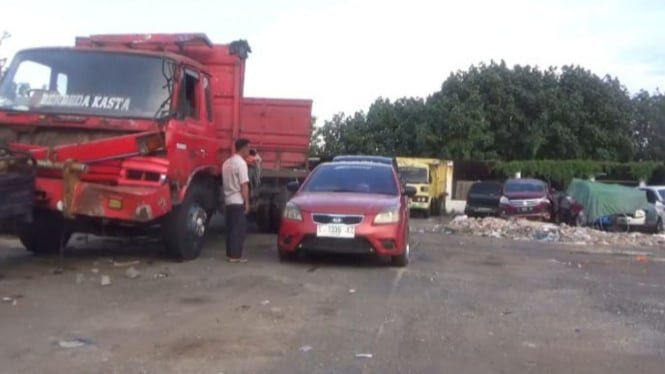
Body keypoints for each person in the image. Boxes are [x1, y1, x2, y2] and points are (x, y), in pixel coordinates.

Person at [222, 138, 251, 263]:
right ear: (243, 148)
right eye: (248, 148)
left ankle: (230, 254)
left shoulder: (226, 163)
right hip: (237, 200)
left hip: (228, 200)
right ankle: (236, 256)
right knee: (239, 230)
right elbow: (244, 185)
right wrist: (247, 202)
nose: (249, 150)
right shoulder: (241, 164)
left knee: (230, 229)